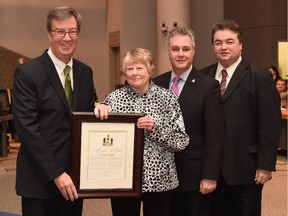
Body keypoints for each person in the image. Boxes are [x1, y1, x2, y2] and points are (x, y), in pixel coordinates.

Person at [12, 6, 96, 216]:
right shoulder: (27, 73)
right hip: (40, 180)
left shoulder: (85, 72)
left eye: (72, 31)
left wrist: (98, 108)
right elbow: (27, 129)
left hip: (74, 180)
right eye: (60, 31)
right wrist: (57, 173)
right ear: (49, 35)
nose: (66, 38)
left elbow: (85, 117)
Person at [200, 19, 282, 216]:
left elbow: (270, 125)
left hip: (247, 169)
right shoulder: (203, 77)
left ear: (240, 44)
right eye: (218, 42)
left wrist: (265, 165)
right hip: (212, 171)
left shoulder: (260, 77)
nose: (223, 47)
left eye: (229, 41)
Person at [94, 48, 189, 216]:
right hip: (123, 180)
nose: (134, 73)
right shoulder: (114, 98)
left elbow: (181, 141)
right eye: (130, 69)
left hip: (160, 180)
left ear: (150, 70)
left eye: (140, 68)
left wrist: (156, 130)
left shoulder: (166, 98)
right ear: (124, 72)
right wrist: (99, 110)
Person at [153, 27, 225, 216]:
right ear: (168, 51)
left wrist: (209, 176)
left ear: (193, 51)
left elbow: (215, 136)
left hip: (194, 177)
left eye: (186, 49)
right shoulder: (156, 84)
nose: (180, 54)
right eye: (175, 49)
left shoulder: (208, 86)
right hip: (160, 175)